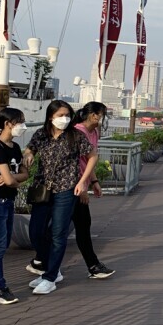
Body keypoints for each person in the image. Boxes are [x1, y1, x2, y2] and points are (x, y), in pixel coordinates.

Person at [24, 100, 98, 295]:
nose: (64, 119)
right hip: (43, 188)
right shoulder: (41, 134)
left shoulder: (76, 135)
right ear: (51, 117)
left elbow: (92, 156)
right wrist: (28, 154)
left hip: (66, 189)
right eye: (60, 115)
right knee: (36, 232)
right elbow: (30, 148)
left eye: (67, 115)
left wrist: (83, 181)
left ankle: (50, 278)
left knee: (58, 233)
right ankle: (52, 269)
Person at [71, 102, 116, 280]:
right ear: (93, 115)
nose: (104, 119)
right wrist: (82, 187)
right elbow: (73, 164)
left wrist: (94, 181)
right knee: (70, 228)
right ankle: (44, 264)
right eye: (102, 115)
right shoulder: (77, 132)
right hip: (72, 186)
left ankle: (93, 265)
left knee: (82, 225)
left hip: (81, 184)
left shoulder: (94, 132)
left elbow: (90, 161)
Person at [0, 107, 28, 304]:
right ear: (7, 124)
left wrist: (12, 178)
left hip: (8, 201)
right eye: (20, 122)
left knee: (1, 245)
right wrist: (13, 179)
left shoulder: (15, 147)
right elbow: (13, 179)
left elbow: (24, 174)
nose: (23, 126)